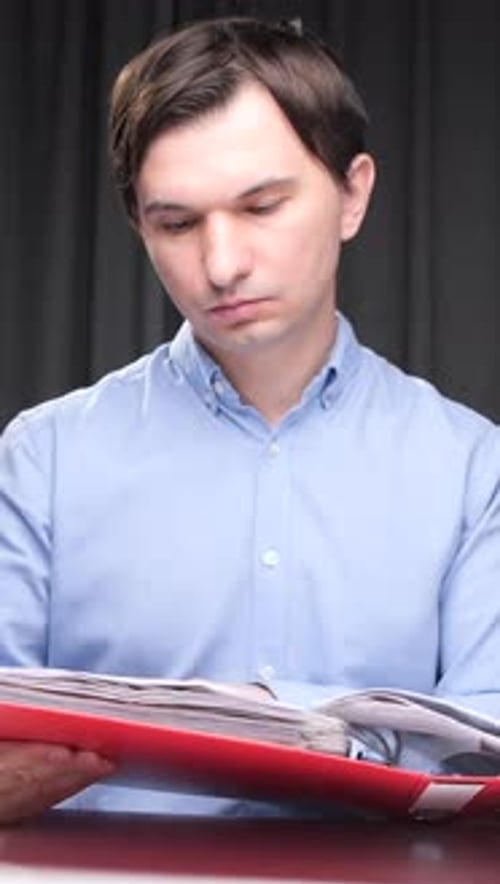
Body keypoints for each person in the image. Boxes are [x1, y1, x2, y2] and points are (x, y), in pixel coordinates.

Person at [0, 15, 499, 823]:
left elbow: (487, 747)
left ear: (353, 194)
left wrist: (263, 711)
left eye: (261, 206)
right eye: (178, 223)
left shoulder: (475, 469)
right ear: (139, 227)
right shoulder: (42, 459)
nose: (222, 265)